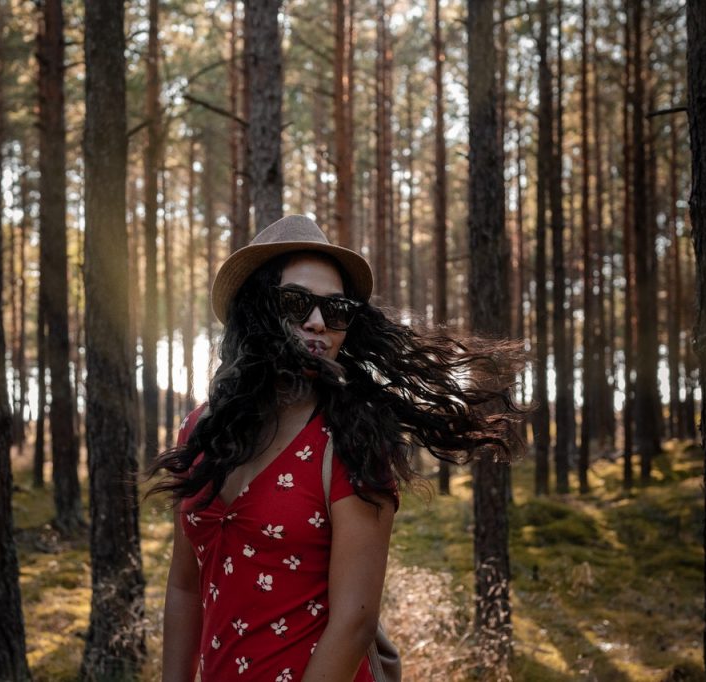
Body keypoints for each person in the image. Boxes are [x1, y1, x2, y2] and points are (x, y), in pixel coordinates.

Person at [153, 214, 522, 681]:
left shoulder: (353, 440)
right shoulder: (201, 429)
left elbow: (354, 623)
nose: (316, 322)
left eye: (336, 309)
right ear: (257, 309)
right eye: (296, 302)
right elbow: (185, 587)